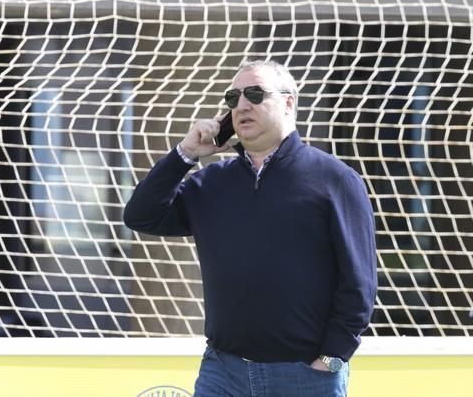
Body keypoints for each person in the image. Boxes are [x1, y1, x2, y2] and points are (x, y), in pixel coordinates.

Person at [123, 59, 377, 396]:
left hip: (304, 375)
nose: (242, 105)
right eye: (233, 98)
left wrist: (332, 357)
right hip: (223, 372)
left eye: (255, 94)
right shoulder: (211, 183)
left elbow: (359, 283)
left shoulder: (334, 180)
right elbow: (140, 216)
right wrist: (186, 153)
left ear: (289, 103)